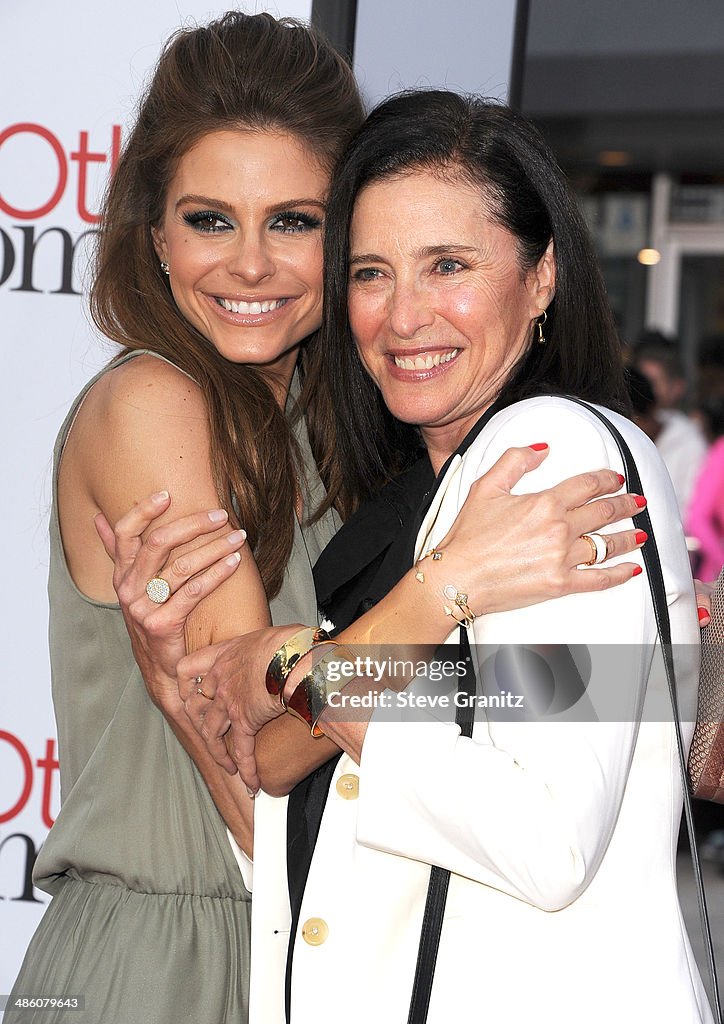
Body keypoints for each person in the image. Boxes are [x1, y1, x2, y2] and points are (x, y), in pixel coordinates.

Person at [7, 17, 645, 1024]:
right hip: (169, 960)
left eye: (295, 222)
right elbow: (253, 769)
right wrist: (444, 588)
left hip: (310, 954)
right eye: (211, 220)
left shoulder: (363, 432)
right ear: (154, 232)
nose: (251, 265)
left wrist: (659, 673)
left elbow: (507, 728)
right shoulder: (153, 407)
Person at [140, 93, 710, 1022]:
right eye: (371, 273)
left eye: (448, 265)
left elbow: (547, 840)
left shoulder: (551, 461)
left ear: (542, 277)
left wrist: (303, 663)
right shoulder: (418, 496)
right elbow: (319, 754)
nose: (404, 316)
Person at [633, 330, 707, 516]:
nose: (643, 391)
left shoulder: (689, 440)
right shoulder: (623, 428)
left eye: (653, 383)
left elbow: (691, 510)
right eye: (639, 382)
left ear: (677, 388)